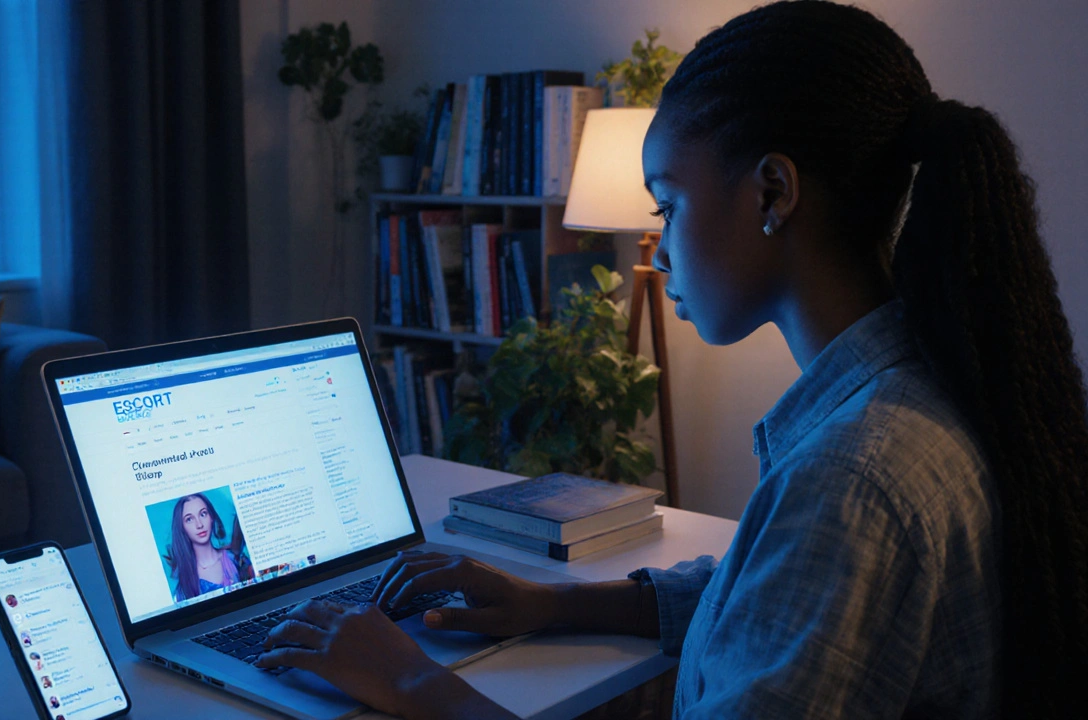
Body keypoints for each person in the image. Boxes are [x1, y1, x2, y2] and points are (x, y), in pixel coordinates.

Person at [256, 2, 1088, 718]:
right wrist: (547, 604)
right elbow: (764, 602)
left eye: (668, 205)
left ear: (773, 193)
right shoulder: (929, 387)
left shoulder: (852, 477)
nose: (656, 250)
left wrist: (408, 680)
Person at [163, 492, 253, 601]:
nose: (199, 525)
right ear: (182, 528)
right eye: (189, 519)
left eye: (203, 514)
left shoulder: (236, 560)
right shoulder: (184, 584)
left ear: (211, 517)